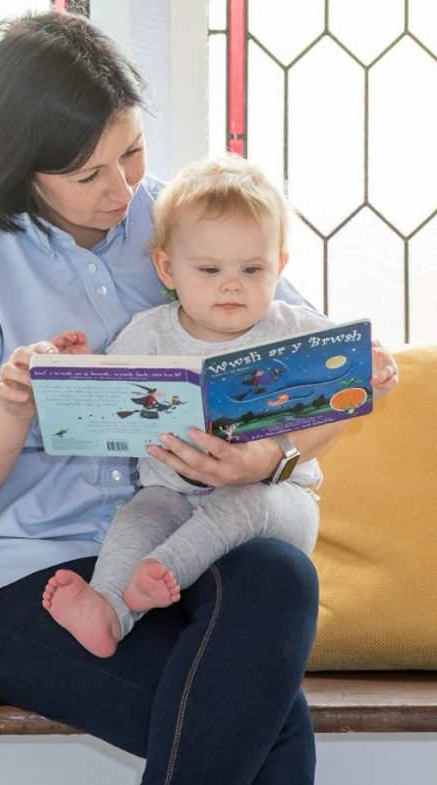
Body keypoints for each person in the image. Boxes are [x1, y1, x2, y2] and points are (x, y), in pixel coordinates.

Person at [0, 10, 398, 785]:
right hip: (32, 581)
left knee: (281, 574)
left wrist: (268, 455)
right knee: (267, 733)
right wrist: (12, 408)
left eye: (130, 153)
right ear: (21, 166)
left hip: (179, 553)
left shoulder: (184, 216)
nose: (121, 189)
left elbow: (315, 378)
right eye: (88, 173)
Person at [40, 156, 399, 659]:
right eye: (209, 270)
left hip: (277, 500)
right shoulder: (150, 333)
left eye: (252, 269)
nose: (232, 285)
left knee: (246, 500)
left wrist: (374, 378)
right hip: (171, 493)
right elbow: (108, 396)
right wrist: (79, 370)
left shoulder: (296, 331)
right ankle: (109, 611)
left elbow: (340, 398)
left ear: (281, 265)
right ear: (167, 268)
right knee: (137, 517)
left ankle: (162, 572)